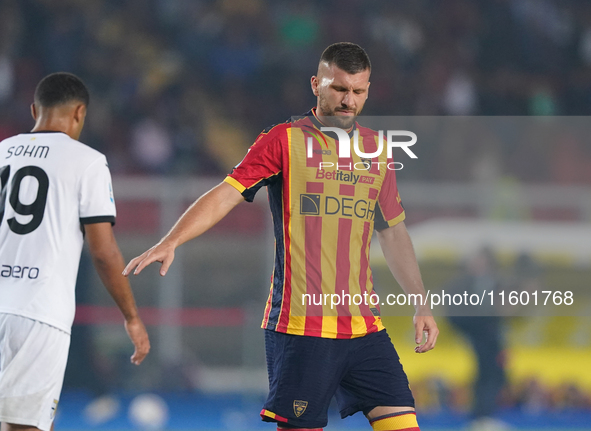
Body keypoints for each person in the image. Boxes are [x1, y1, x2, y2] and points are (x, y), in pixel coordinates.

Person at [124, 42, 438, 431]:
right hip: (302, 329)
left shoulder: (377, 149)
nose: (348, 100)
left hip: (365, 329)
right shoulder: (283, 140)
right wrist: (172, 240)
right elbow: (227, 192)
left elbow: (392, 231)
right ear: (316, 85)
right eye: (339, 89)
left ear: (368, 90)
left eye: (357, 91)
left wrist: (420, 303)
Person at [0, 72, 150, 431]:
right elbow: (102, 250)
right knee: (27, 427)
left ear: (35, 109)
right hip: (39, 313)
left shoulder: (2, 152)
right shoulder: (87, 161)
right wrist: (131, 316)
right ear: (80, 112)